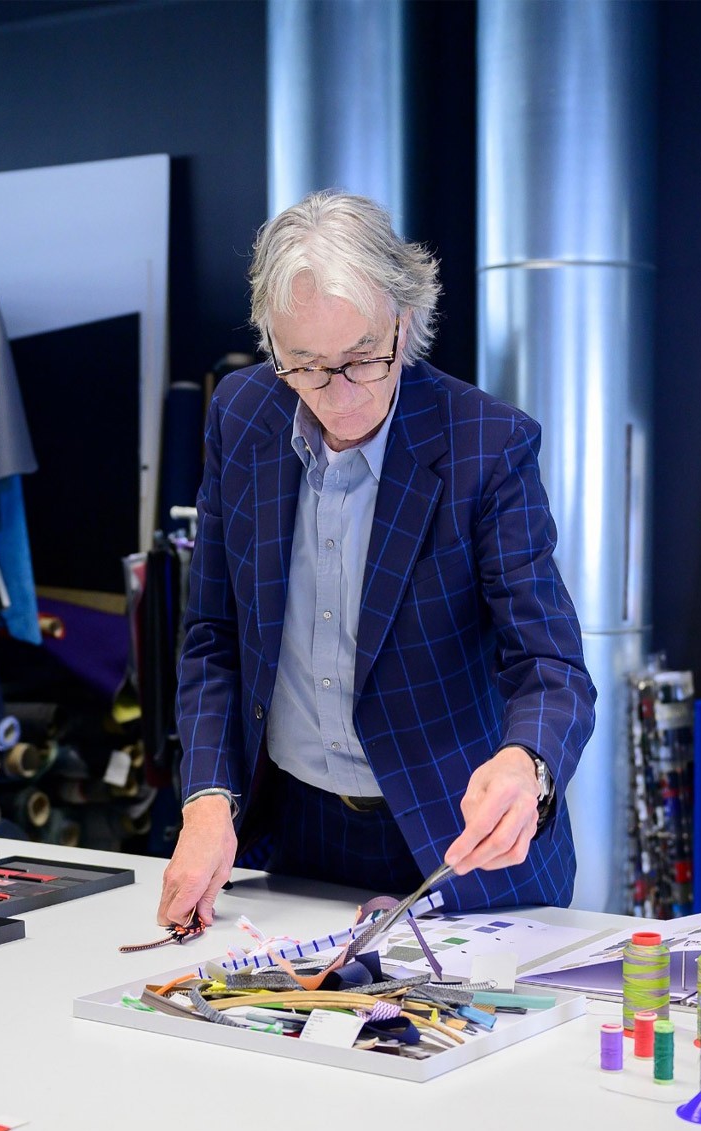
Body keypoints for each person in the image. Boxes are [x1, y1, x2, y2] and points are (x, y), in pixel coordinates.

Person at [158, 192, 595, 926]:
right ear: (274, 348)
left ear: (404, 318)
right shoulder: (241, 415)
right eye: (307, 366)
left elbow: (551, 667)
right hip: (293, 831)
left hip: (454, 837)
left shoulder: (484, 446)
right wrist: (207, 798)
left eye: (362, 358)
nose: (340, 395)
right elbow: (211, 637)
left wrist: (528, 766)